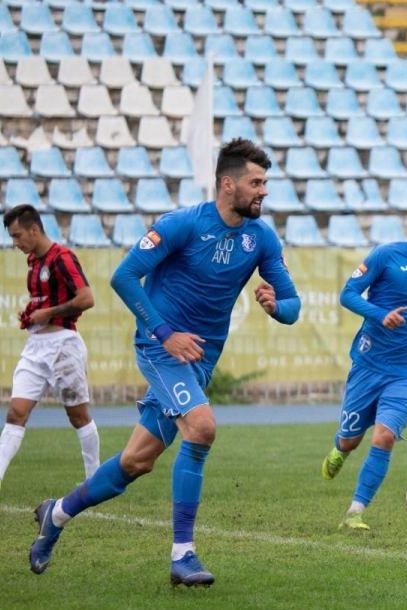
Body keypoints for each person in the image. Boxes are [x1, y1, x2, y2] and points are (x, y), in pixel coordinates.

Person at [29, 139, 301, 586]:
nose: (263, 192)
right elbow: (123, 276)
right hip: (161, 348)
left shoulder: (261, 238)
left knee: (137, 461)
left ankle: (55, 515)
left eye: (265, 183)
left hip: (201, 358)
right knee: (202, 427)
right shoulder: (182, 225)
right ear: (227, 184)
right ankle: (183, 555)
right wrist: (164, 334)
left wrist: (276, 307)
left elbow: (292, 306)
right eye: (256, 182)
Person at [320, 194, 407, 530]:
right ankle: (340, 448)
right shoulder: (386, 256)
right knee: (350, 439)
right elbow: (348, 294)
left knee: (384, 436)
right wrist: (381, 316)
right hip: (369, 363)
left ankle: (355, 512)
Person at [1, 205, 99, 492]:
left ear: (34, 229)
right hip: (36, 347)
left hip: (63, 346)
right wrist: (32, 313)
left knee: (78, 416)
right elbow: (42, 301)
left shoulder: (63, 258)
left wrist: (49, 312)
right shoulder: (32, 261)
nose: (15, 243)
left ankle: (95, 480)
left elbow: (87, 298)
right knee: (16, 413)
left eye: (18, 236)